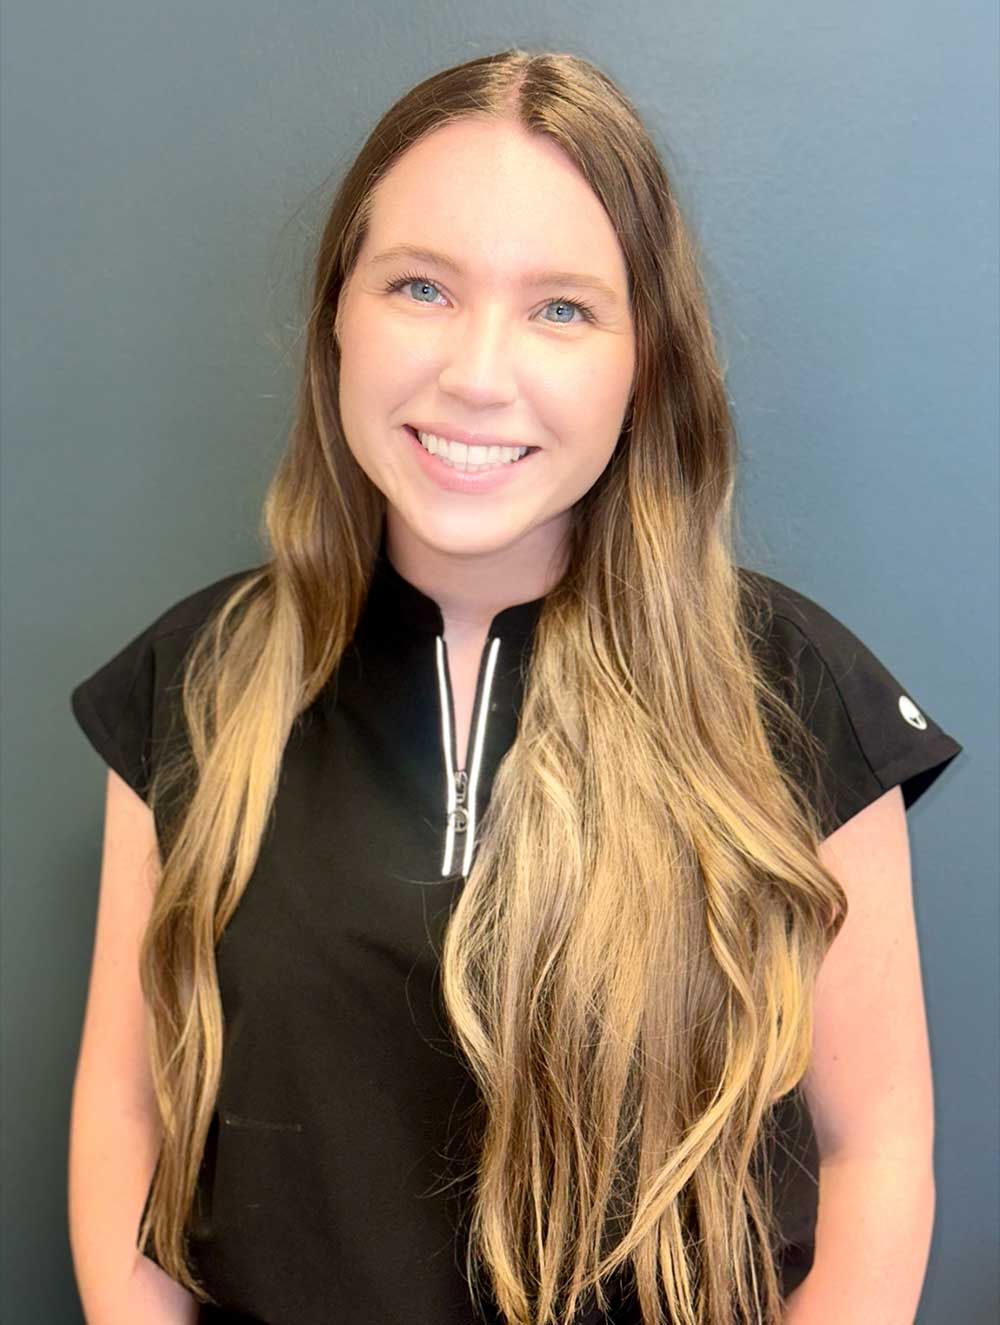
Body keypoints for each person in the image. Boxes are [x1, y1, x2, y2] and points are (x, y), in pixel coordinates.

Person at [67, 48, 963, 1325]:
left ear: (642, 357)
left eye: (561, 308)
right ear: (337, 315)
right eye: (420, 286)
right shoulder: (191, 683)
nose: (477, 373)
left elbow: (878, 1150)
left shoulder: (792, 693)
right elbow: (125, 1113)